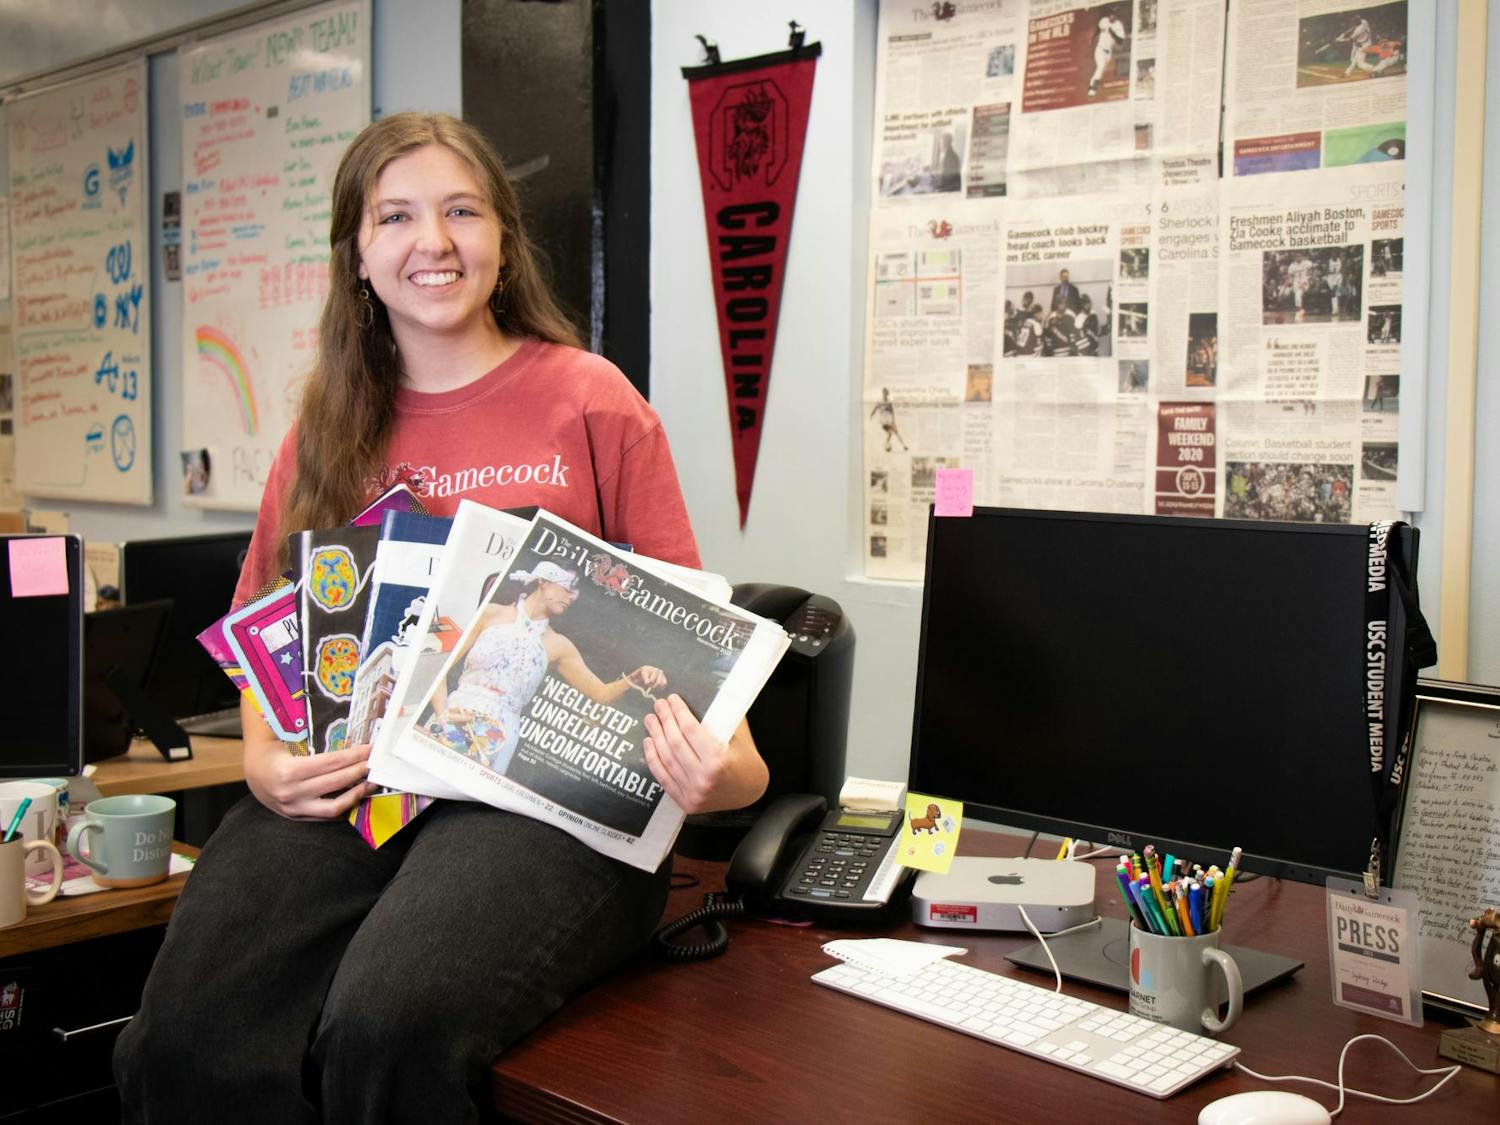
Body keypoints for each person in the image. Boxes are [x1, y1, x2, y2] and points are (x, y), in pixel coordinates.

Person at [114, 112, 768, 1123]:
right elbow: (263, 645)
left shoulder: (592, 403)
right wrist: (260, 762)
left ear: (503, 240)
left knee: (388, 1025)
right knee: (184, 1029)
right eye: (398, 216)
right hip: (358, 794)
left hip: (538, 809)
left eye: (463, 211)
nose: (435, 242)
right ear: (359, 254)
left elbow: (706, 681)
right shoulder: (321, 434)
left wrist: (718, 771)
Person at [422, 562, 667, 773]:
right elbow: (438, 667)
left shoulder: (559, 645)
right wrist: (445, 717)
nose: (571, 597)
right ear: (543, 580)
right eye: (568, 588)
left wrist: (635, 677)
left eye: (576, 593)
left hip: (502, 732)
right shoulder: (490, 614)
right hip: (454, 714)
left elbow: (601, 694)